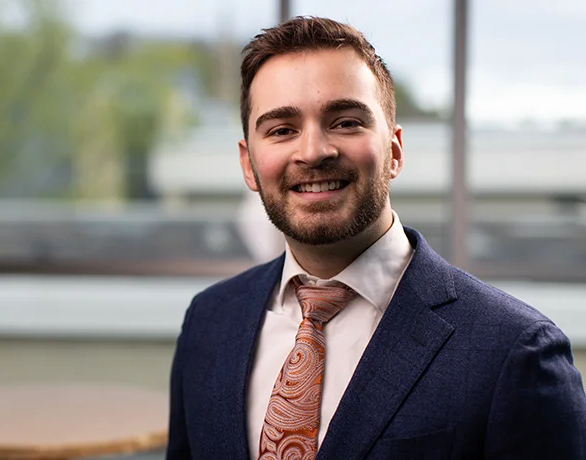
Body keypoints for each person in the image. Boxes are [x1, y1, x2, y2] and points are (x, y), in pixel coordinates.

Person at [166, 16, 586, 460]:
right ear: (249, 164)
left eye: (346, 122)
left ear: (395, 152)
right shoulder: (207, 322)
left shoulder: (515, 354)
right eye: (282, 130)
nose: (313, 151)